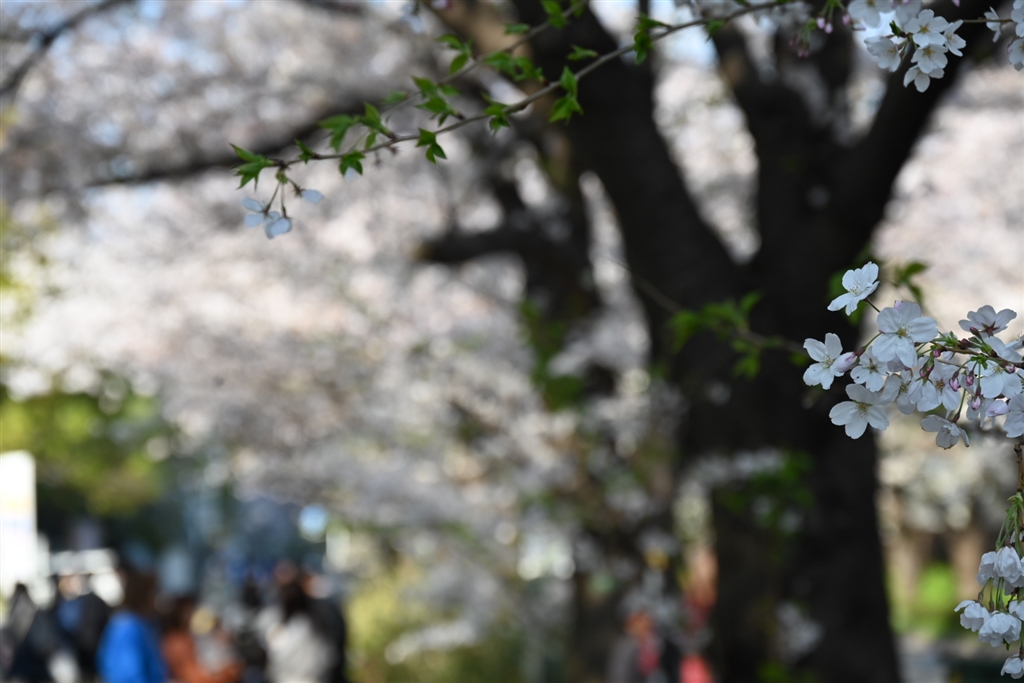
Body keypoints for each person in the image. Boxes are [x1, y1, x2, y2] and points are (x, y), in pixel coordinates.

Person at [96, 567, 167, 683]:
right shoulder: (128, 626)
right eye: (154, 593)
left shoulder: (138, 622)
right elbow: (128, 673)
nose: (156, 599)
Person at [162, 596, 242, 683]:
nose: (193, 614)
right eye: (189, 611)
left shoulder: (190, 636)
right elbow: (197, 678)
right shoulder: (178, 642)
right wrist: (229, 672)